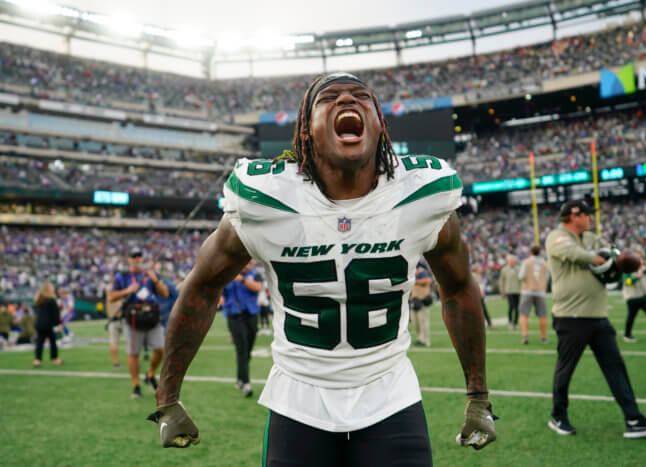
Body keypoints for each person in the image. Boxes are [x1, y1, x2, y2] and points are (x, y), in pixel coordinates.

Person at [149, 72, 497, 462]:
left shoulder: (420, 194)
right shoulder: (265, 200)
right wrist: (168, 398)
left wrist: (478, 396)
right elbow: (201, 287)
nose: (347, 101)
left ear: (379, 123)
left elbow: (458, 287)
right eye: (328, 98)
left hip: (390, 394)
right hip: (298, 399)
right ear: (307, 128)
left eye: (361, 96)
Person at [546, 199, 646, 439]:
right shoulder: (556, 236)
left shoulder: (592, 237)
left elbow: (614, 253)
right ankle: (558, 415)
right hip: (571, 317)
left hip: (598, 315)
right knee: (565, 370)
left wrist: (624, 260)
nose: (591, 218)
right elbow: (571, 253)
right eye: (587, 214)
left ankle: (634, 419)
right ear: (573, 215)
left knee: (616, 368)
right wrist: (597, 258)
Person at [109, 248, 169, 399]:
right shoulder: (122, 276)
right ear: (129, 259)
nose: (137, 259)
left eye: (139, 256)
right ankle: (135, 385)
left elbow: (165, 293)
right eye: (134, 256)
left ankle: (150, 374)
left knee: (161, 349)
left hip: (152, 316)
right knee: (133, 353)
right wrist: (127, 290)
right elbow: (112, 297)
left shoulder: (150, 274)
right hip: (134, 318)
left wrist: (155, 279)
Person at [222, 259, 263, 397]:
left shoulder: (254, 275)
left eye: (249, 262)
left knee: (248, 350)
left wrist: (242, 280)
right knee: (242, 349)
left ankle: (240, 378)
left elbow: (258, 288)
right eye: (245, 262)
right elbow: (221, 294)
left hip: (251, 315)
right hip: (234, 317)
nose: (247, 265)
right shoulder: (228, 276)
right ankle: (246, 383)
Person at [518, 246, 549, 344]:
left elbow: (521, 276)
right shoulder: (544, 263)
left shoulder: (526, 262)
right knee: (542, 315)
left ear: (531, 252)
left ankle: (525, 336)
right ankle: (543, 337)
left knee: (524, 314)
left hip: (527, 291)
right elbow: (547, 277)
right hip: (540, 292)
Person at [32, 281, 63, 367]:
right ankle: (55, 359)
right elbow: (55, 314)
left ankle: (37, 360)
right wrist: (59, 324)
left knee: (40, 342)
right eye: (52, 288)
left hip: (39, 324)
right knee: (53, 341)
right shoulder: (51, 300)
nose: (53, 289)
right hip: (48, 325)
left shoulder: (39, 300)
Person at [410, 263, 433, 347]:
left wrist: (415, 280)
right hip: (415, 301)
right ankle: (420, 338)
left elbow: (428, 280)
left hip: (422, 300)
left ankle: (426, 340)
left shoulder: (421, 272)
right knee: (416, 322)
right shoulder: (413, 273)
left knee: (423, 321)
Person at [104, 274, 124, 369]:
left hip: (112, 318)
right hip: (122, 317)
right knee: (130, 341)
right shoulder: (118, 287)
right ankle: (132, 360)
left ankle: (115, 363)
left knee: (113, 341)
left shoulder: (108, 287)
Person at [499, 255, 520, 329]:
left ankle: (516, 323)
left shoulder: (518, 268)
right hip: (509, 291)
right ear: (508, 261)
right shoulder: (504, 269)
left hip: (518, 291)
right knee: (511, 307)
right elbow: (502, 281)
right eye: (510, 261)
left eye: (513, 261)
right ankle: (510, 321)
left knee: (518, 308)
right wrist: (502, 291)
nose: (512, 262)